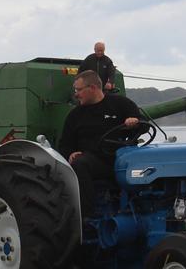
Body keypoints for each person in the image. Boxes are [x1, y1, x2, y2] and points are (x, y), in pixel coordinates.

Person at [57, 70, 142, 216]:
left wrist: (134, 123)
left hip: (122, 159)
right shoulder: (75, 115)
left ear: (93, 88)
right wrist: (70, 153)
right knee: (80, 163)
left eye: (78, 90)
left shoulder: (121, 104)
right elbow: (65, 144)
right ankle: (86, 216)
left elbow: (143, 126)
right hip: (96, 161)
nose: (76, 94)